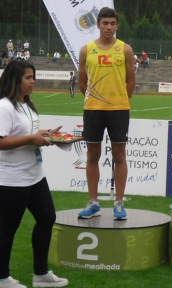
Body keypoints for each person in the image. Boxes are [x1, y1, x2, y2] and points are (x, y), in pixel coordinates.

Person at [0, 60, 68, 288]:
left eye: (33, 77)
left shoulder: (26, 105)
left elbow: (27, 133)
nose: (33, 82)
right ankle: (2, 278)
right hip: (11, 179)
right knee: (7, 228)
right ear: (15, 80)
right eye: (28, 78)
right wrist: (31, 139)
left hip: (34, 175)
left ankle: (41, 274)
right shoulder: (4, 107)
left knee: (47, 217)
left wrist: (46, 134)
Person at [77, 7, 135, 220]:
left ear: (117, 25)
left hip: (119, 109)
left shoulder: (125, 49)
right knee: (93, 156)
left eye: (112, 24)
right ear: (98, 25)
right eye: (105, 23)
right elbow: (82, 83)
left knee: (119, 155)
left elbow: (131, 81)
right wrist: (96, 100)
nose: (109, 27)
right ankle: (94, 203)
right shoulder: (86, 50)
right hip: (93, 109)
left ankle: (118, 203)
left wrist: (119, 100)